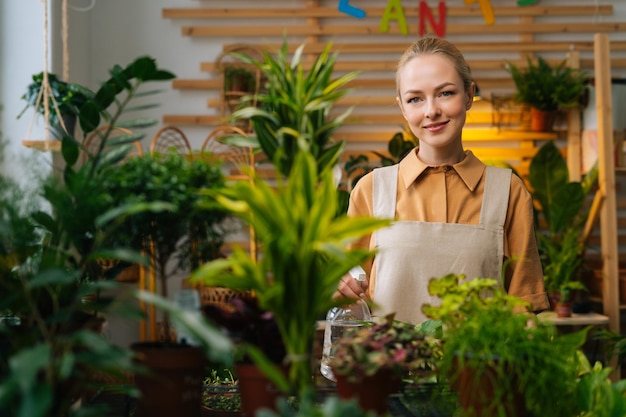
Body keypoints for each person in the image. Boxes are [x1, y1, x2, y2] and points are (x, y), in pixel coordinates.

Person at [336, 36, 549, 324]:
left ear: (469, 94)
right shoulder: (371, 190)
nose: (431, 111)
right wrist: (341, 286)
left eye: (445, 93)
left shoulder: (508, 192)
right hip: (391, 367)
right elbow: (351, 300)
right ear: (402, 108)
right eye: (415, 99)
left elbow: (523, 307)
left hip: (480, 366)